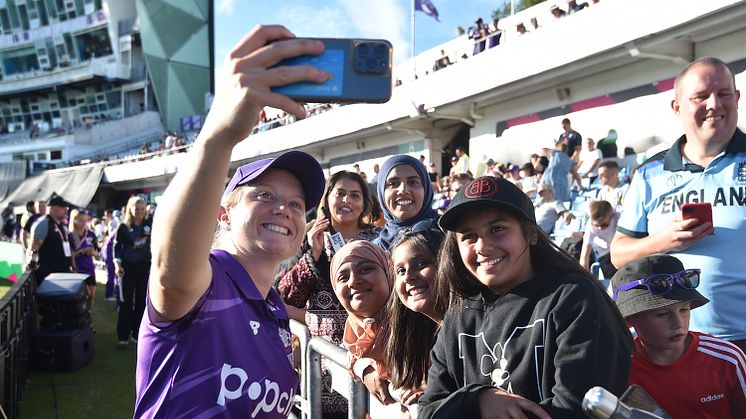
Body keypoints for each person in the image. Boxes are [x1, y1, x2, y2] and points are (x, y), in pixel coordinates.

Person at [134, 25, 328, 417]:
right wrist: (219, 135)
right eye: (264, 196)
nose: (284, 210)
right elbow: (169, 264)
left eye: (296, 204)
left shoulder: (273, 309)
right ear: (224, 213)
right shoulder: (205, 281)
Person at [418, 176, 632, 419]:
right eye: (469, 236)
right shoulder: (458, 316)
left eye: (497, 229)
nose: (482, 246)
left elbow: (577, 411)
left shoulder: (575, 299)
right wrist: (478, 399)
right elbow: (428, 411)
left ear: (531, 233)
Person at [610, 57, 746, 352]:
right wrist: (661, 242)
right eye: (700, 96)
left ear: (736, 98)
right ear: (677, 107)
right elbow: (618, 254)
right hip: (677, 349)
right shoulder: (649, 173)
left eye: (724, 94)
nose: (714, 104)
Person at [275, 171, 380, 417]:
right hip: (323, 362)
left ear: (364, 203)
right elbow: (285, 295)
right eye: (340, 193)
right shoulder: (308, 236)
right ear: (327, 199)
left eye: (355, 195)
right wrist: (313, 254)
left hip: (370, 353)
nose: (346, 200)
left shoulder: (377, 239)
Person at [611, 254, 746, 418]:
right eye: (661, 314)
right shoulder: (617, 367)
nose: (678, 323)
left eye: (684, 310)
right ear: (629, 320)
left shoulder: (727, 359)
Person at [380, 221, 449, 414]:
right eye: (400, 270)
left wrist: (439, 386)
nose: (409, 277)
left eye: (421, 263)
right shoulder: (412, 329)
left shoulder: (471, 324)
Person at [330, 241, 395, 405]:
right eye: (343, 277)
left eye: (365, 269)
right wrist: (364, 366)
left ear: (388, 272)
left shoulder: (419, 321)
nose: (354, 281)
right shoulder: (353, 333)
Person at [373, 155, 438, 250]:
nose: (403, 190)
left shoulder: (450, 236)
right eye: (393, 184)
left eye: (413, 182)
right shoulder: (373, 251)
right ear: (382, 193)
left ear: (426, 189)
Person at [113, 195, 152, 347]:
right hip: (127, 268)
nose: (140, 211)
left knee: (142, 301)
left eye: (142, 209)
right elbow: (116, 247)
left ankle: (137, 334)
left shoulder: (149, 224)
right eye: (137, 208)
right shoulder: (123, 227)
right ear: (130, 209)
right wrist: (117, 265)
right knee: (126, 301)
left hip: (144, 267)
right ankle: (123, 336)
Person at [27, 195, 74, 284]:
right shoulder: (44, 223)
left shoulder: (62, 225)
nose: (66, 210)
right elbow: (34, 248)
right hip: (48, 275)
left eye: (66, 207)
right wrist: (31, 265)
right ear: (51, 208)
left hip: (63, 272)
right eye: (62, 207)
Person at [69, 208, 99, 316]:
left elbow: (97, 253)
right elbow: (70, 256)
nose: (83, 223)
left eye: (85, 220)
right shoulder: (70, 236)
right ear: (74, 220)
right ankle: (80, 318)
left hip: (89, 268)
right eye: (80, 220)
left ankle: (88, 321)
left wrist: (93, 253)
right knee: (85, 295)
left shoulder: (90, 234)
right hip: (78, 269)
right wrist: (82, 252)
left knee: (91, 297)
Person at [580, 200, 618, 278]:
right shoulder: (590, 226)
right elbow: (584, 256)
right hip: (603, 252)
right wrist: (585, 277)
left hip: (618, 249)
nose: (600, 228)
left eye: (604, 225)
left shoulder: (618, 215)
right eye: (596, 225)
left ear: (611, 216)